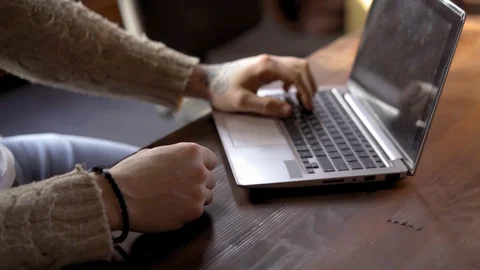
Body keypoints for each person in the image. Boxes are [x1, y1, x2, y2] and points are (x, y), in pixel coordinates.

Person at [0, 0, 317, 269]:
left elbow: (17, 19)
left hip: (10, 159)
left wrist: (207, 79)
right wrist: (107, 199)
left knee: (201, 192)